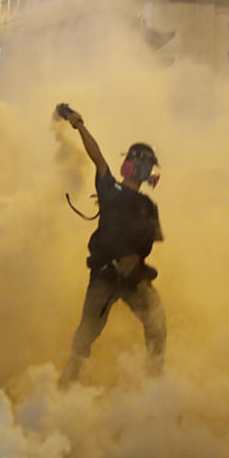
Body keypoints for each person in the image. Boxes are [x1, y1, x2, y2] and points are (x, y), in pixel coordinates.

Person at [58, 105, 167, 387]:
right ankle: (66, 383)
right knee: (86, 334)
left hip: (133, 277)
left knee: (156, 325)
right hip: (106, 274)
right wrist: (78, 124)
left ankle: (155, 384)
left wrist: (132, 260)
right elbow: (97, 155)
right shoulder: (112, 190)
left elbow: (147, 243)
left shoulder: (145, 205)